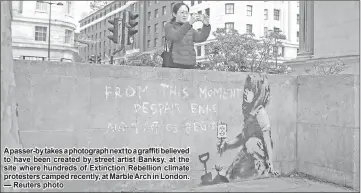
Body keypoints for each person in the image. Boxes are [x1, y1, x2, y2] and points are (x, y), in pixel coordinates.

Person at [217, 74, 279, 180]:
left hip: (260, 155)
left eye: (250, 90)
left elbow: (267, 140)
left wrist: (271, 164)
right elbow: (243, 136)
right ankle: (229, 175)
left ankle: (259, 172)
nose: (246, 92)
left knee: (251, 144)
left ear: (257, 93)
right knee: (248, 145)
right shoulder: (249, 113)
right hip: (251, 152)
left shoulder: (260, 113)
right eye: (246, 89)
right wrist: (227, 145)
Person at [164, 3, 211, 69]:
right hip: (175, 63)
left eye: (186, 13)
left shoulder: (190, 28)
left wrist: (206, 25)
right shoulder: (169, 26)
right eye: (182, 12)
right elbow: (175, 36)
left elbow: (201, 38)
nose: (184, 15)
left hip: (190, 64)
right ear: (174, 14)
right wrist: (189, 23)